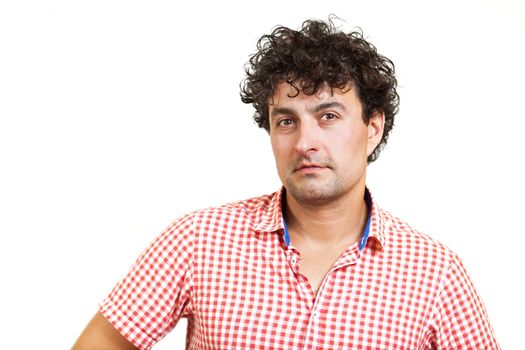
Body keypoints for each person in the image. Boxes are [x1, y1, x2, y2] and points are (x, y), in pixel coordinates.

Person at [73, 18, 499, 349]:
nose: (305, 142)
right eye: (286, 121)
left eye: (328, 117)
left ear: (372, 127)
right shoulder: (197, 241)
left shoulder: (435, 272)